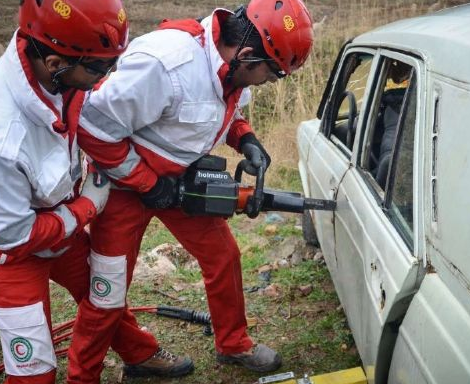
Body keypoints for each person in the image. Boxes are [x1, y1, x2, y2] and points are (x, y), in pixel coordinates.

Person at [73, 0, 314, 378]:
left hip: (179, 183)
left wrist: (246, 139)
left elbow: (227, 111)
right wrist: (147, 184)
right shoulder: (166, 64)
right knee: (108, 289)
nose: (270, 81)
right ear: (248, 55)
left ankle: (233, 344)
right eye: (272, 73)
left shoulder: (232, 68)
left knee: (223, 256)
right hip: (123, 183)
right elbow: (92, 128)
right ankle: (90, 373)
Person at [0, 1, 182, 383]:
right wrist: (86, 208)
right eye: (98, 68)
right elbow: (14, 235)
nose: (105, 77)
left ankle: (138, 354)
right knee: (35, 373)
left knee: (104, 296)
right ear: (57, 63)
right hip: (11, 253)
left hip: (62, 225)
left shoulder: (56, 75)